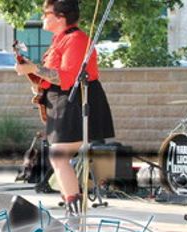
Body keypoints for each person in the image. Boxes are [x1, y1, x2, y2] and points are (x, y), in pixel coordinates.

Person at [15, 0, 115, 217]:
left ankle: (75, 211)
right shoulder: (59, 40)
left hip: (76, 101)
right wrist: (32, 73)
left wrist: (35, 68)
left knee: (58, 155)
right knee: (58, 157)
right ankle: (72, 207)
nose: (43, 17)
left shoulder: (76, 40)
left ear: (60, 16)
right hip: (62, 103)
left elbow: (66, 77)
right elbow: (48, 78)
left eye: (46, 13)